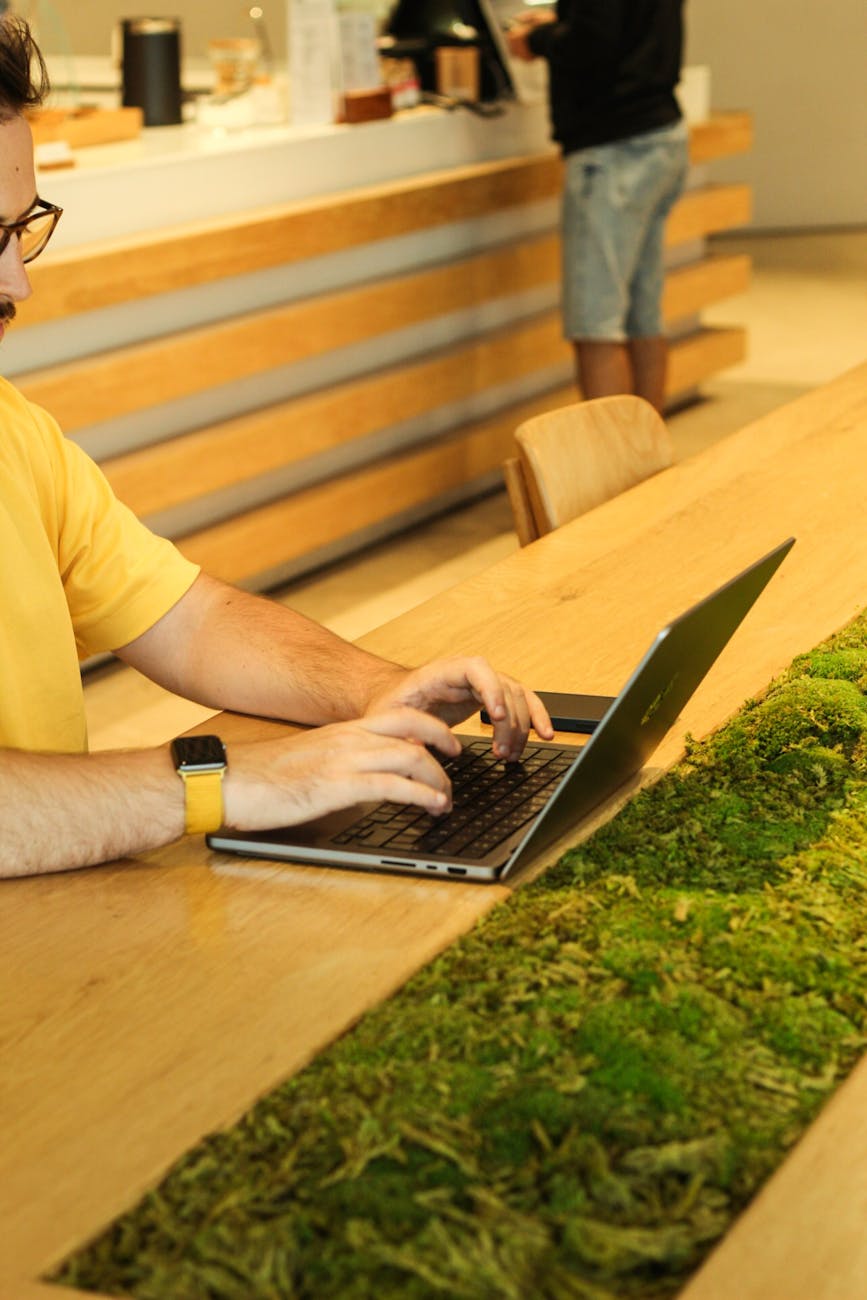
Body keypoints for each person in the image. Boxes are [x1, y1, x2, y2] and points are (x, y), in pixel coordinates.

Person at [0, 17, 553, 880]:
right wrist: (220, 782)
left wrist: (372, 689)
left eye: (19, 226)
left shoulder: (12, 431)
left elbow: (188, 620)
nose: (18, 281)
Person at [507, 0, 688, 413]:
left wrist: (537, 39)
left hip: (612, 147)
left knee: (597, 327)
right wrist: (562, 20)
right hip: (660, 132)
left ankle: (616, 476)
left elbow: (593, 43)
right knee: (642, 317)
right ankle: (650, 469)